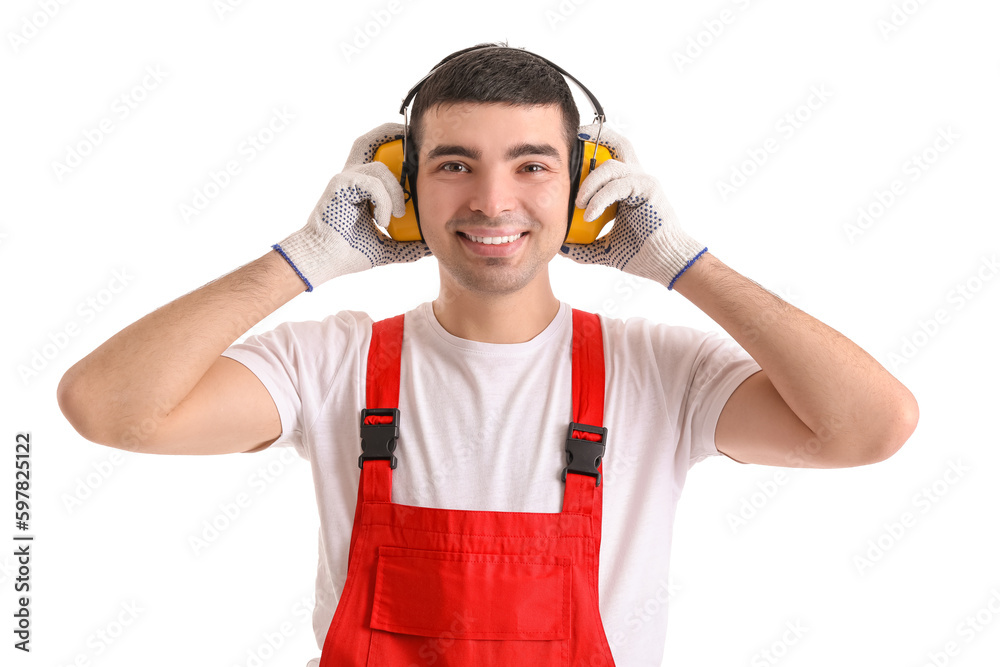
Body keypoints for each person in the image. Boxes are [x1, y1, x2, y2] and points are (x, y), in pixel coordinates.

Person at [57, 44, 918, 667]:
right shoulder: (330, 365)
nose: (493, 200)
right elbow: (106, 405)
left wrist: (679, 261)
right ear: (403, 188)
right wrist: (306, 259)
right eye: (455, 165)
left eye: (533, 166)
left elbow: (872, 427)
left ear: (583, 190)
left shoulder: (660, 373)